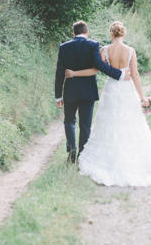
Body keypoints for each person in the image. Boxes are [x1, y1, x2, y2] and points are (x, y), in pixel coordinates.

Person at [64, 21, 151, 187]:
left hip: (112, 89)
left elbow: (97, 69)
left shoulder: (105, 50)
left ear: (111, 35)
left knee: (108, 123)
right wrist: (143, 97)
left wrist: (74, 73)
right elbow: (134, 74)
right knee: (129, 124)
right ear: (123, 34)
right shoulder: (130, 51)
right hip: (127, 91)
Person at [55, 20, 132, 163]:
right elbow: (99, 66)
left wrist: (58, 96)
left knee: (69, 121)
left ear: (73, 33)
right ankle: (82, 155)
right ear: (87, 32)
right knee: (85, 124)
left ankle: (72, 149)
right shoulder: (93, 45)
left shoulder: (64, 47)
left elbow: (59, 72)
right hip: (88, 92)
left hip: (70, 91)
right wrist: (120, 75)